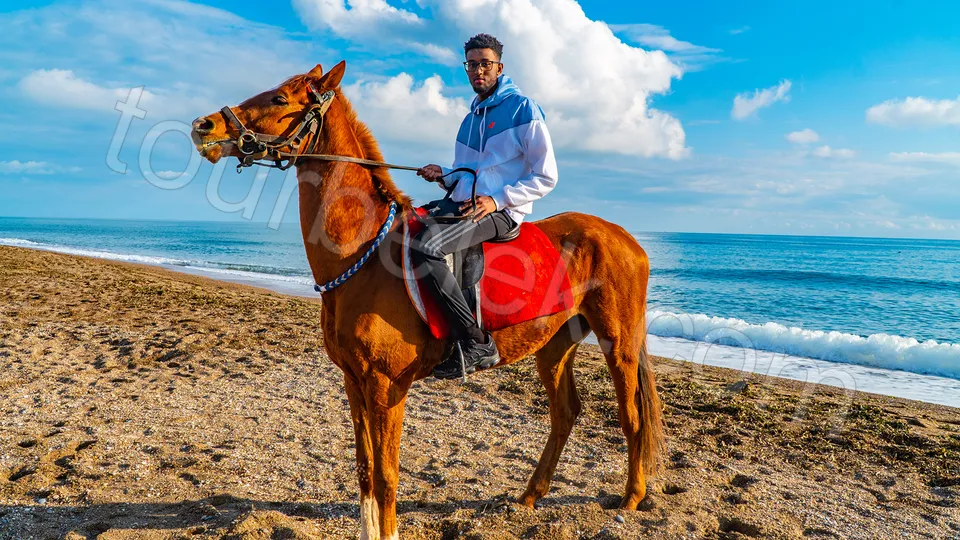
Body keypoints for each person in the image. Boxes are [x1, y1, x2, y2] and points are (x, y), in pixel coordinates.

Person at [414, 33, 559, 380]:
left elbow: (546, 176)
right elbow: (468, 177)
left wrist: (498, 200)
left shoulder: (524, 109)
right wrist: (444, 176)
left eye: (485, 64)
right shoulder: (469, 120)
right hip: (467, 205)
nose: (478, 70)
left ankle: (477, 342)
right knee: (409, 226)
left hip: (502, 213)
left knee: (428, 249)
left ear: (499, 67)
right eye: (472, 65)